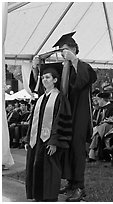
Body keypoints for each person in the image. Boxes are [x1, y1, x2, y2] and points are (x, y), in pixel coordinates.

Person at [29, 32, 97, 202]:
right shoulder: (63, 69)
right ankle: (71, 183)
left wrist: (74, 60)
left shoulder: (84, 67)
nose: (63, 53)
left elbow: (81, 82)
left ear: (74, 49)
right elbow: (46, 86)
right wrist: (35, 68)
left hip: (78, 116)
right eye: (61, 51)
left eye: (65, 49)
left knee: (76, 151)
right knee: (65, 150)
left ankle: (79, 187)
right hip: (64, 115)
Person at [25, 62, 72, 201]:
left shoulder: (59, 98)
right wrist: (29, 139)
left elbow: (60, 122)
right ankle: (37, 195)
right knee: (36, 166)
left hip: (49, 142)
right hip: (37, 141)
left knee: (50, 170)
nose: (44, 80)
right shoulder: (41, 98)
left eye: (48, 77)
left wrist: (54, 142)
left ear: (55, 80)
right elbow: (33, 122)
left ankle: (49, 197)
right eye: (43, 77)